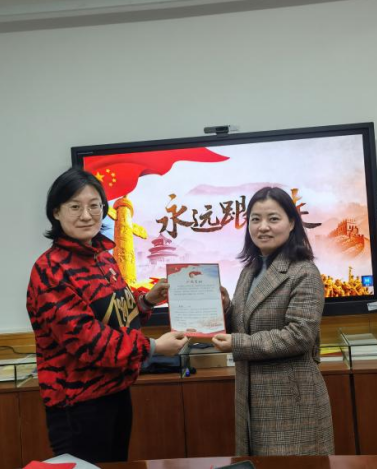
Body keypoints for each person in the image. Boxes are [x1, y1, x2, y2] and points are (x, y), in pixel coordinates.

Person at [27, 167, 187, 463]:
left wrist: (146, 301)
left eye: (94, 205)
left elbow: (116, 316)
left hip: (116, 393)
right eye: (75, 207)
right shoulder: (50, 270)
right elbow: (89, 341)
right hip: (78, 406)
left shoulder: (103, 258)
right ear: (56, 212)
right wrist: (153, 347)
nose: (86, 215)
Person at [212, 186, 334, 456]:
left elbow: (299, 336)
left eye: (273, 219)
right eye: (255, 219)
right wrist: (226, 308)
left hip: (291, 402)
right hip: (250, 398)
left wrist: (237, 344)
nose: (263, 227)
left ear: (292, 223)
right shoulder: (250, 271)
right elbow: (246, 324)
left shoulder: (304, 272)